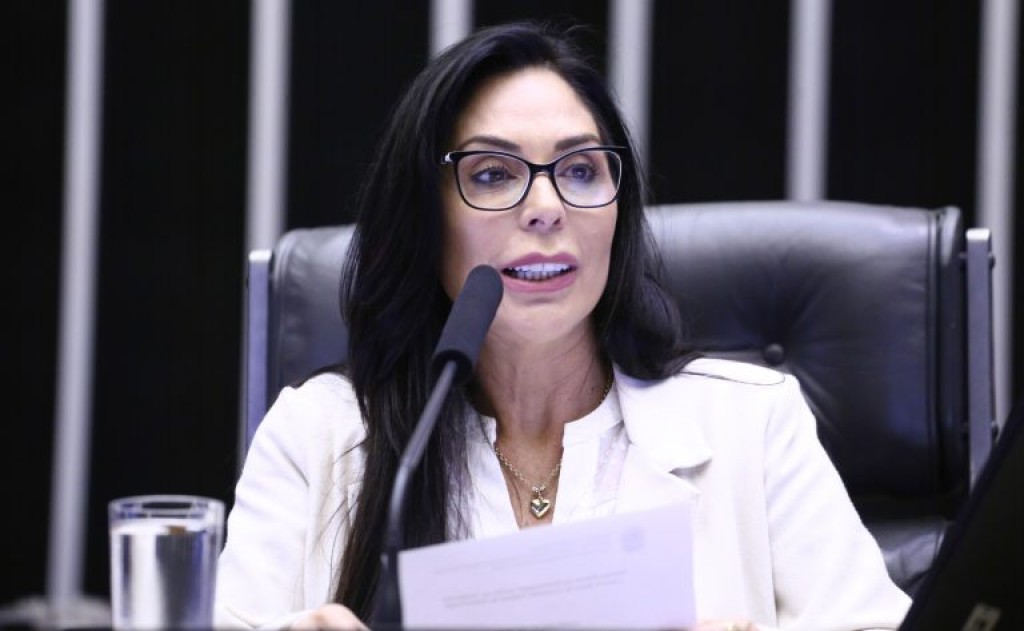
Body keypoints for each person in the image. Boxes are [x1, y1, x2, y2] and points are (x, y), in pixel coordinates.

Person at [215, 21, 911, 631]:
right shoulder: (318, 436)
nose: (547, 206)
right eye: (493, 174)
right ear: (425, 217)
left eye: (579, 170)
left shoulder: (752, 424)